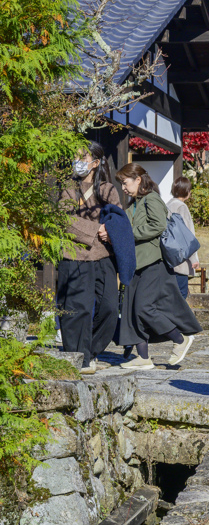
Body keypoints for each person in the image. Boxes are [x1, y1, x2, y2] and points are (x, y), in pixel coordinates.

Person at [114, 164, 202, 370]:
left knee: (144, 307)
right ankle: (143, 357)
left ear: (137, 179)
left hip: (153, 262)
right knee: (132, 311)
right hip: (136, 264)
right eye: (121, 184)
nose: (123, 188)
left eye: (125, 183)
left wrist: (128, 233)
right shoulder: (134, 204)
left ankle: (180, 339)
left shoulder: (151, 199)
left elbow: (158, 225)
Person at [57, 142, 121, 374]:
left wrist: (110, 230)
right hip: (73, 256)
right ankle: (78, 358)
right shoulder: (68, 190)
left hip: (104, 256)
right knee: (76, 309)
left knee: (109, 309)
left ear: (95, 162)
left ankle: (90, 351)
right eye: (76, 156)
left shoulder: (107, 189)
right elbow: (64, 220)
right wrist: (95, 231)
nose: (78, 161)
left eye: (82, 156)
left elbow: (118, 218)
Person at [166, 176, 200, 300]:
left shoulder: (168, 205)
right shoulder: (181, 207)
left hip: (169, 258)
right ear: (186, 191)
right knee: (181, 297)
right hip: (181, 260)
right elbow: (187, 234)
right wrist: (193, 258)